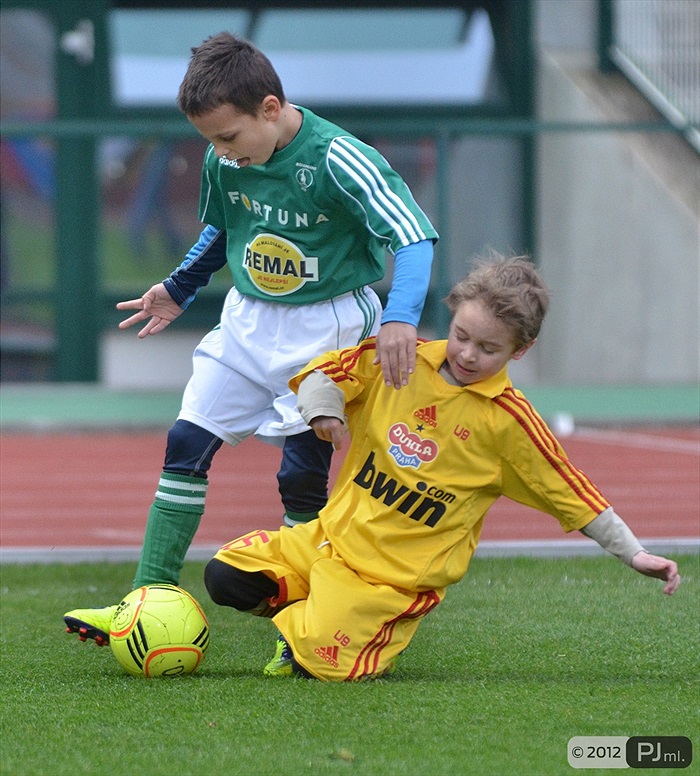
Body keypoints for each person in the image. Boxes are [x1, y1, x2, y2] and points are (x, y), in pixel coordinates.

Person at [63, 32, 437, 646]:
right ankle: (143, 600)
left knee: (300, 475)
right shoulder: (226, 158)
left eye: (228, 137)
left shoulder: (340, 157)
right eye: (209, 140)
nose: (220, 153)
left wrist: (400, 315)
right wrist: (180, 287)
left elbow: (413, 235)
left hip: (330, 326)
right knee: (186, 441)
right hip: (247, 319)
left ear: (269, 108)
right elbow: (222, 225)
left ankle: (311, 628)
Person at [203, 255, 681, 681]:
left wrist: (634, 553)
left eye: (488, 348)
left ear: (521, 350)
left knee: (320, 668)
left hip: (390, 583)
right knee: (224, 576)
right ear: (451, 316)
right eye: (462, 336)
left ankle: (327, 626)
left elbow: (570, 492)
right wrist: (323, 409)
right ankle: (311, 609)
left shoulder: (509, 424)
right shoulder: (399, 359)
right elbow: (323, 373)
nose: (469, 354)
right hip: (325, 541)